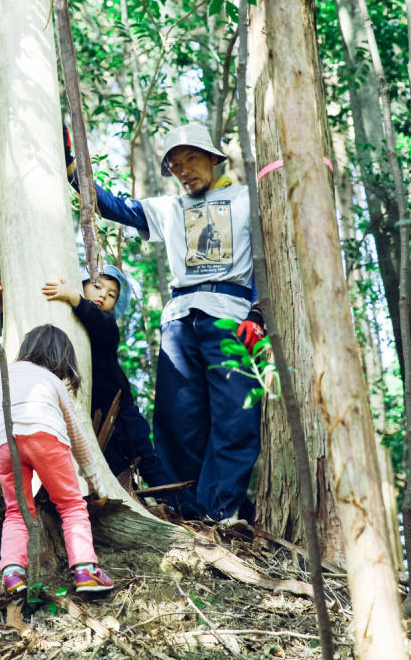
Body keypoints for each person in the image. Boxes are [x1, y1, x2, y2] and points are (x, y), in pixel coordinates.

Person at [67, 123, 266, 522]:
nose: (182, 169)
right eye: (174, 165)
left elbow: (269, 258)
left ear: (212, 158)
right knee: (178, 419)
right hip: (179, 319)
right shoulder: (170, 208)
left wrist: (259, 314)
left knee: (234, 418)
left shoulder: (248, 200)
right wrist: (71, 164)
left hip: (231, 314)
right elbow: (109, 205)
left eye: (190, 158)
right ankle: (182, 508)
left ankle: (220, 511)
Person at [0, 324, 114, 595]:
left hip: (5, 443)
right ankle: (86, 571)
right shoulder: (53, 381)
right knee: (70, 505)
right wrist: (95, 482)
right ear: (63, 358)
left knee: (16, 511)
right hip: (47, 439)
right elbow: (77, 435)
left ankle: (12, 574)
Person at [38, 265, 173, 490]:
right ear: (81, 284)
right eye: (97, 286)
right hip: (94, 417)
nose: (103, 295)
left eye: (111, 295)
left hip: (122, 412)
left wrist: (75, 299)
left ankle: (178, 506)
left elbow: (99, 323)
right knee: (113, 467)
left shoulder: (107, 323)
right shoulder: (66, 321)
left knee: (148, 461)